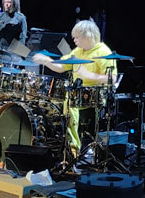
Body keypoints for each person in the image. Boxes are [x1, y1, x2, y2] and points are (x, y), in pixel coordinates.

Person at [33, 19, 117, 156]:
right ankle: (56, 144)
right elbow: (61, 67)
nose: (74, 40)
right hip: (77, 93)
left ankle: (73, 150)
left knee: (70, 106)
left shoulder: (103, 51)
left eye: (77, 37)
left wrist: (88, 75)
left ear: (87, 36)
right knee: (51, 103)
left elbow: (112, 79)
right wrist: (46, 61)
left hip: (94, 95)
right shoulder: (78, 51)